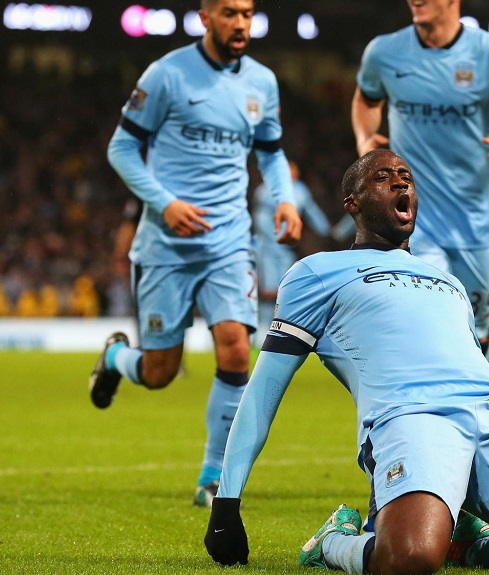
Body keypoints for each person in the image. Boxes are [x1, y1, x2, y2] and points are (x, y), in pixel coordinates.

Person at [204, 150, 489, 574]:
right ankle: (334, 541)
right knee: (409, 559)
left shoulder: (448, 281)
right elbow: (263, 393)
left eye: (406, 177)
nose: (400, 180)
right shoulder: (314, 273)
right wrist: (226, 503)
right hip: (411, 417)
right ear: (352, 204)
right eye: (382, 176)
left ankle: (472, 547)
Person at [89, 0, 302, 508]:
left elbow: (270, 152)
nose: (241, 23)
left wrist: (285, 199)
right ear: (205, 17)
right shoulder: (166, 74)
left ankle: (211, 479)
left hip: (229, 240)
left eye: (248, 13)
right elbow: (121, 147)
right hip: (166, 245)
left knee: (235, 348)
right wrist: (165, 204)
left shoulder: (262, 83)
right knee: (161, 373)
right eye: (229, 13)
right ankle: (117, 358)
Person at [351, 0, 489, 361]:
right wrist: (365, 139)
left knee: (476, 335)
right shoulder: (385, 52)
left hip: (475, 221)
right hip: (414, 221)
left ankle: (478, 414)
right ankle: (424, 414)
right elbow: (366, 101)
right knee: (429, 323)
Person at [252, 160, 354, 345]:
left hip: (286, 248)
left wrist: (327, 231)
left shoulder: (299, 190)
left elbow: (311, 211)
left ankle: (280, 329)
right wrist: (272, 239)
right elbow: (260, 217)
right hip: (267, 247)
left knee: (283, 290)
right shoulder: (266, 189)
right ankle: (261, 330)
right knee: (268, 290)